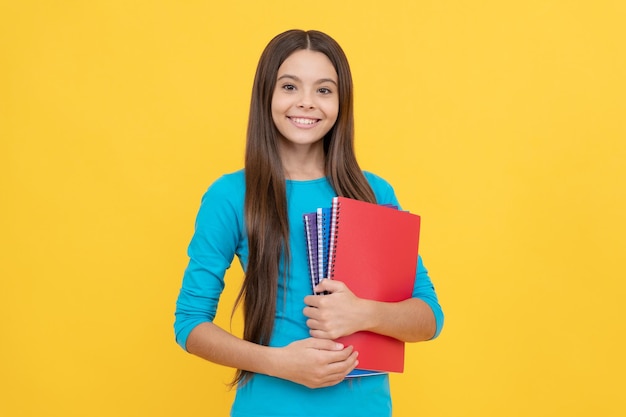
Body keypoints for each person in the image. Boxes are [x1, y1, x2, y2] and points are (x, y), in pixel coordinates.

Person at [174, 29, 444, 417]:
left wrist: (364, 313)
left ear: (341, 102)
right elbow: (190, 325)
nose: (306, 103)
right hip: (268, 405)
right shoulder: (231, 195)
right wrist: (279, 363)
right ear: (266, 94)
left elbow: (428, 318)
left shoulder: (374, 193)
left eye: (323, 90)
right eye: (289, 86)